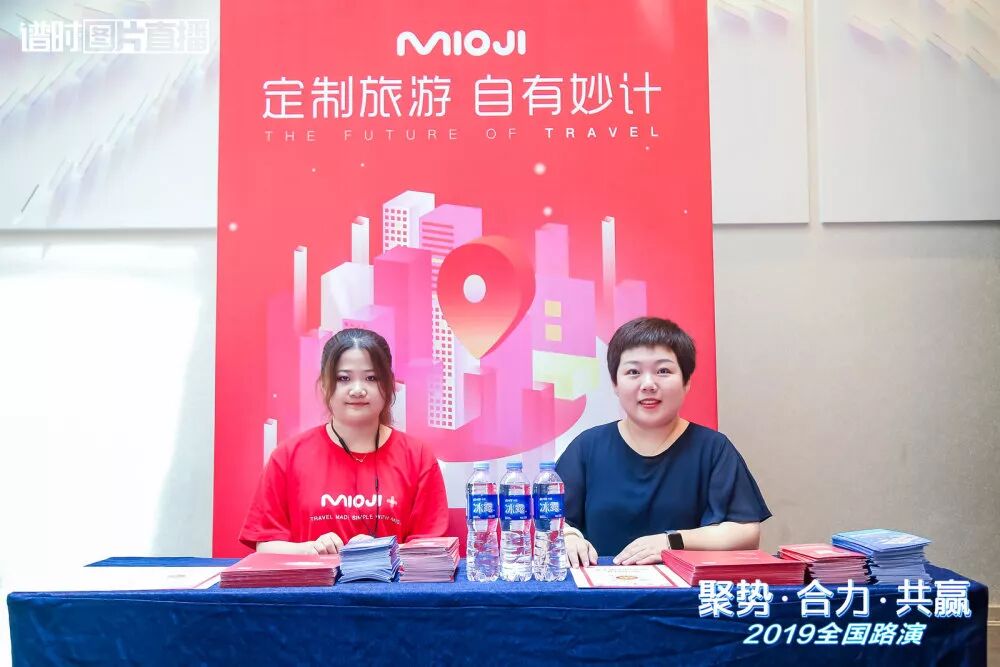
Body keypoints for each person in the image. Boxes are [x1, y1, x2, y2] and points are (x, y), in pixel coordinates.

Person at [556, 317, 771, 567]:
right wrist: (568, 536)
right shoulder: (587, 446)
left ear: (686, 382)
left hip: (685, 589)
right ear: (615, 384)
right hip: (600, 587)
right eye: (633, 372)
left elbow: (745, 532)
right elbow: (550, 517)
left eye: (663, 371)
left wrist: (672, 541)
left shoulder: (713, 448)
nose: (648, 384)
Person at [239, 328, 448, 554]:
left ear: (389, 384)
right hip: (312, 578)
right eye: (343, 378)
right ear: (325, 384)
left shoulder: (417, 457)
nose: (357, 390)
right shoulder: (288, 456)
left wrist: (379, 552)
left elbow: (429, 550)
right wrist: (312, 549)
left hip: (390, 578)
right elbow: (265, 546)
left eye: (371, 378)